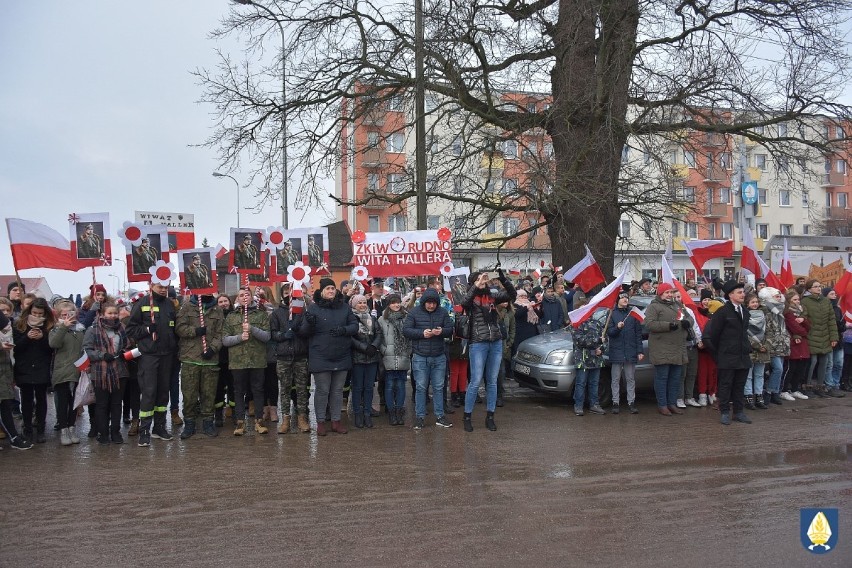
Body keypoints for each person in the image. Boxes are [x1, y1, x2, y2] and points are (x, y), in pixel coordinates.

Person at [297, 278, 357, 436]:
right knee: (322, 391)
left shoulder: (344, 307)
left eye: (333, 288)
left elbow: (354, 326)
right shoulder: (313, 308)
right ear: (321, 291)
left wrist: (344, 330)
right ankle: (321, 422)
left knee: (337, 391)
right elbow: (303, 332)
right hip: (320, 355)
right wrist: (309, 323)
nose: (331, 291)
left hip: (341, 355)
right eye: (328, 289)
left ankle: (336, 421)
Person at [461, 267, 516, 432]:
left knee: (492, 381)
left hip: (495, 342)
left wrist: (503, 278)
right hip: (478, 342)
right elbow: (464, 302)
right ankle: (467, 416)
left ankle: (490, 416)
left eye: (484, 279)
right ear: (473, 283)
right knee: (475, 381)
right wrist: (477, 284)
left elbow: (512, 296)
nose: (484, 281)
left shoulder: (492, 295)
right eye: (480, 279)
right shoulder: (472, 297)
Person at [125, 282, 178, 446]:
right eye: (159, 286)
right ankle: (145, 430)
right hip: (149, 355)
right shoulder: (142, 303)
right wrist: (148, 329)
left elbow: (174, 328)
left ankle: (159, 427)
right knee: (149, 392)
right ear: (151, 285)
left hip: (167, 355)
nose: (163, 289)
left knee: (163, 392)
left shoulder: (169, 304)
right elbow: (130, 330)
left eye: (165, 287)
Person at [222, 287, 271, 436]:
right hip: (238, 361)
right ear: (237, 298)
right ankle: (240, 422)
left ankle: (259, 421)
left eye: (247, 295)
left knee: (258, 390)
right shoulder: (231, 317)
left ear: (251, 298)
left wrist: (252, 329)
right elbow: (225, 340)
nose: (244, 297)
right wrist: (239, 338)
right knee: (238, 391)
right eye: (241, 295)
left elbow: (267, 336)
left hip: (257, 360)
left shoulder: (261, 315)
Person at [403, 288, 454, 429]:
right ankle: (419, 417)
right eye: (429, 303)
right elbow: (406, 330)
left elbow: (450, 329)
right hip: (420, 356)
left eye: (433, 303)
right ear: (424, 302)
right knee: (420, 387)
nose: (431, 306)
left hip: (439, 355)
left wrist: (441, 331)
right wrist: (421, 333)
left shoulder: (443, 312)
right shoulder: (414, 312)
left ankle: (440, 416)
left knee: (439, 387)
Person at [703, 280, 753, 426]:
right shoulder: (723, 312)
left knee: (739, 385)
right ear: (730, 295)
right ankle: (724, 412)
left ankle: (738, 412)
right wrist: (719, 354)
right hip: (727, 356)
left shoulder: (744, 311)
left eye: (743, 292)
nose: (743, 294)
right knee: (725, 385)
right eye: (739, 292)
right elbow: (713, 335)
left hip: (742, 356)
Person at [175, 294, 223, 439]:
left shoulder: (217, 310)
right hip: (190, 358)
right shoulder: (187, 307)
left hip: (210, 359)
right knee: (189, 394)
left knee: (209, 394)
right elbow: (179, 328)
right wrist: (195, 331)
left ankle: (208, 422)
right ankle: (189, 423)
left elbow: (220, 333)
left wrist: (213, 349)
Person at [83, 302, 130, 444]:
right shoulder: (93, 330)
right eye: (110, 313)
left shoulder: (122, 328)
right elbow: (87, 350)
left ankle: (115, 432)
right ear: (103, 314)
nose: (113, 316)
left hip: (119, 371)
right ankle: (103, 433)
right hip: (100, 372)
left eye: (115, 313)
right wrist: (102, 355)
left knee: (116, 404)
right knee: (102, 404)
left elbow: (128, 343)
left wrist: (124, 352)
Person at [270, 283, 311, 434]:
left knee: (301, 389)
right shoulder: (276, 313)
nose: (289, 295)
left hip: (300, 356)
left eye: (291, 292)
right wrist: (282, 336)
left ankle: (302, 418)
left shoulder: (302, 311)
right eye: (286, 292)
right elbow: (273, 334)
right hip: (283, 357)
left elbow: (308, 332)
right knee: (285, 389)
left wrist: (299, 328)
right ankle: (285, 419)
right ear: (282, 295)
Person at [13, 297, 55, 442]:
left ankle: (41, 427)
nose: (37, 316)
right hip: (24, 366)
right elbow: (16, 348)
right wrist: (27, 337)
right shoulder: (19, 325)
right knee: (26, 399)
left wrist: (43, 338)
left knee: (42, 399)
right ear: (29, 311)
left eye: (40, 314)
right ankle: (27, 427)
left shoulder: (49, 326)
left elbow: (52, 348)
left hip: (42, 366)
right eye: (35, 313)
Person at [644, 283, 688, 416]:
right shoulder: (654, 306)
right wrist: (668, 326)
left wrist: (688, 323)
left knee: (675, 378)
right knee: (662, 378)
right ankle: (662, 405)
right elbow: (649, 324)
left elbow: (689, 318)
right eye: (667, 292)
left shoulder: (677, 305)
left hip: (677, 348)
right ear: (660, 293)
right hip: (661, 348)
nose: (670, 295)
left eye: (671, 292)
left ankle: (672, 403)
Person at [48, 301, 85, 446]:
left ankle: (72, 427)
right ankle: (63, 429)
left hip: (78, 371)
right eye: (64, 314)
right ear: (58, 316)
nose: (67, 316)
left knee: (75, 403)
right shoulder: (55, 330)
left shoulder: (81, 330)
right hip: (62, 371)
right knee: (62, 403)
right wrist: (63, 327)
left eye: (70, 313)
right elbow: (54, 344)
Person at [349, 294, 384, 428]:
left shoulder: (372, 318)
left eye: (364, 302)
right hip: (357, 358)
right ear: (354, 305)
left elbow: (378, 334)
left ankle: (367, 413)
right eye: (359, 303)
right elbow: (351, 338)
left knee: (369, 387)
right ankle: (358, 414)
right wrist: (364, 347)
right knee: (358, 388)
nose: (363, 305)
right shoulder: (351, 319)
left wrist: (374, 346)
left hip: (372, 358)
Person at [800, 279, 839, 397]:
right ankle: (807, 387)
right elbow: (804, 318)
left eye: (819, 286)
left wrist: (834, 338)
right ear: (809, 289)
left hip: (825, 336)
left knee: (824, 362)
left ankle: (820, 388)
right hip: (811, 336)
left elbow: (831, 320)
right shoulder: (805, 301)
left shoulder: (826, 301)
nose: (818, 288)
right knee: (812, 362)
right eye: (815, 286)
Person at [0, 307, 32, 449]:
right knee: (3, 407)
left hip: (4, 373)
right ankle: (13, 437)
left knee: (5, 405)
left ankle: (13, 436)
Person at [607, 292, 644, 414]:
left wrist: (639, 350)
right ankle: (615, 402)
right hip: (616, 351)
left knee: (630, 378)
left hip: (630, 351)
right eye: (622, 297)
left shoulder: (632, 314)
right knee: (615, 379)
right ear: (618, 299)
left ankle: (631, 402)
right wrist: (617, 327)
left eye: (627, 298)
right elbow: (610, 333)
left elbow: (638, 334)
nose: (625, 299)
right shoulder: (612, 313)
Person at [379, 294, 411, 426]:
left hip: (403, 355)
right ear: (388, 305)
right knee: (390, 385)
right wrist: (384, 350)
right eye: (393, 303)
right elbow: (379, 337)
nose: (396, 305)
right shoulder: (382, 319)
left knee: (401, 386)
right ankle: (391, 412)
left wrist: (409, 350)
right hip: (388, 358)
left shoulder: (407, 317)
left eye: (398, 302)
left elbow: (410, 336)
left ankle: (399, 410)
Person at [572, 298, 606, 416]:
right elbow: (580, 340)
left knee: (594, 383)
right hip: (582, 359)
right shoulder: (577, 324)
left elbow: (605, 340)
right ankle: (578, 406)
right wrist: (597, 341)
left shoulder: (597, 324)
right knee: (581, 383)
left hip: (596, 360)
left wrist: (601, 349)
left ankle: (594, 404)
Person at [757, 287, 791, 405]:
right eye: (776, 296)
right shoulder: (765, 310)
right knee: (778, 368)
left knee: (780, 369)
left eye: (779, 295)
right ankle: (769, 392)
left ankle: (775, 392)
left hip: (781, 343)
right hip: (771, 343)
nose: (780, 297)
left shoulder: (780, 309)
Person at [783, 289, 811, 401]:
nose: (797, 301)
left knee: (800, 369)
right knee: (790, 368)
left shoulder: (801, 312)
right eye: (794, 299)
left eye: (798, 299)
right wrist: (801, 330)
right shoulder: (788, 313)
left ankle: (795, 389)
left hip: (802, 344)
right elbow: (797, 329)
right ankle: (784, 390)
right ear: (789, 301)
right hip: (793, 344)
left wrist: (803, 320)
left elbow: (808, 327)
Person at [744, 292, 770, 410]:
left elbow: (769, 332)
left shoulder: (764, 315)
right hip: (751, 350)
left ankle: (759, 396)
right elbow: (745, 335)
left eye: (756, 302)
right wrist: (756, 345)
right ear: (747, 304)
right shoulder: (745, 316)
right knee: (748, 376)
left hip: (763, 350)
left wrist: (766, 345)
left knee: (759, 374)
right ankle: (748, 397)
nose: (755, 304)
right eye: (752, 302)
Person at [214, 294, 236, 425]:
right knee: (218, 387)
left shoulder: (235, 315)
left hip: (233, 357)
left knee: (234, 387)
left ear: (230, 302)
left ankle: (233, 412)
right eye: (220, 302)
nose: (223, 303)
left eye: (225, 301)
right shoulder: (215, 317)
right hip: (218, 357)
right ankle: (218, 414)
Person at [822, 287, 847, 398]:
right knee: (830, 364)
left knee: (839, 363)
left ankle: (835, 383)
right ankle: (829, 385)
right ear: (826, 295)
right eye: (832, 294)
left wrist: (842, 324)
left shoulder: (838, 308)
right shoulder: (824, 307)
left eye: (834, 294)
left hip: (839, 339)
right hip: (829, 339)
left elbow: (841, 323)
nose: (834, 296)